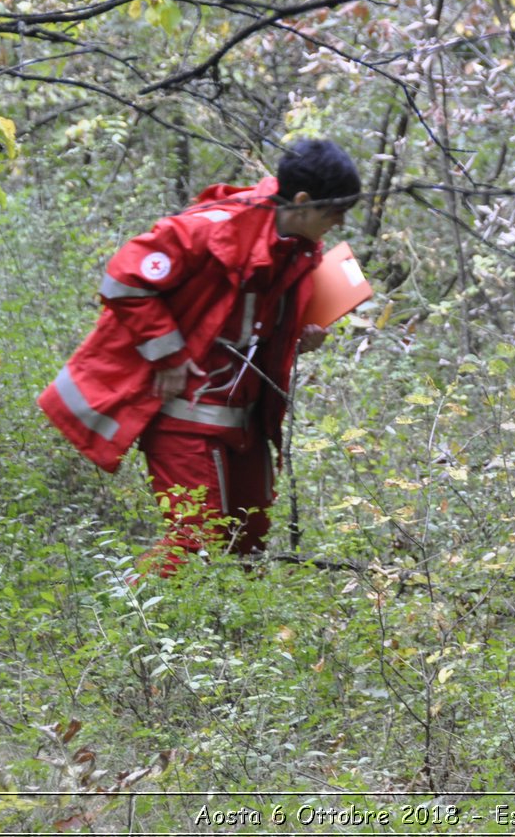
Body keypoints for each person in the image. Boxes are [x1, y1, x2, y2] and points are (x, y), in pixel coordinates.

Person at [39, 139, 361, 576]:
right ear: (302, 202)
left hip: (244, 418)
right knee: (195, 544)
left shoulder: (299, 246)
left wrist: (298, 334)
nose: (340, 223)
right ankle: (125, 624)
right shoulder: (210, 229)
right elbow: (123, 281)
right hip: (183, 415)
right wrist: (168, 355)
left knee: (247, 546)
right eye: (334, 212)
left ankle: (231, 641)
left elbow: (256, 319)